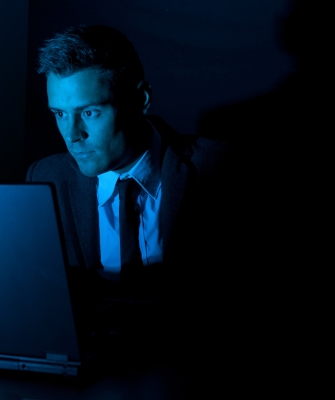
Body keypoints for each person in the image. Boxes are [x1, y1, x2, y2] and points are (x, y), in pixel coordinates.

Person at [25, 25, 226, 364]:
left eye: (90, 112)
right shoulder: (47, 178)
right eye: (59, 114)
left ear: (140, 100)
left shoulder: (218, 169)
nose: (72, 135)